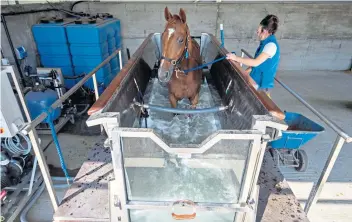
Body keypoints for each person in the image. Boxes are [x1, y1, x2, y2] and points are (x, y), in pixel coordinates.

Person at [226, 14, 280, 97]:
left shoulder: (271, 46)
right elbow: (255, 65)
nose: (257, 33)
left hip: (262, 85)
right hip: (255, 80)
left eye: (258, 31)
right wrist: (243, 72)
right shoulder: (265, 44)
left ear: (265, 31)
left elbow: (255, 63)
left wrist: (235, 58)